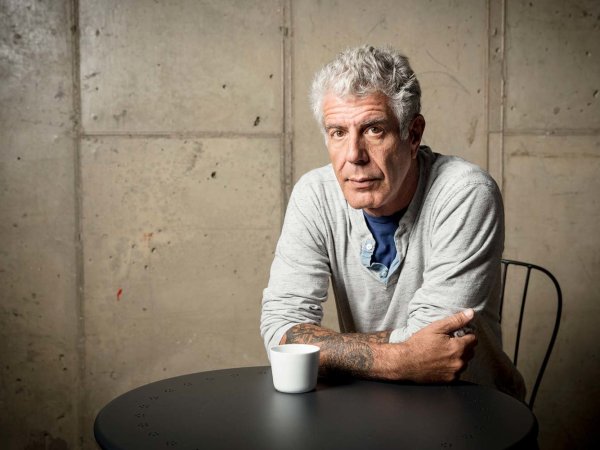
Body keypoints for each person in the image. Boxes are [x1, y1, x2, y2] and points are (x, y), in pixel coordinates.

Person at [260, 45, 525, 399]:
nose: (353, 156)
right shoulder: (315, 194)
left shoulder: (466, 192)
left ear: (412, 135)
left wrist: (323, 348)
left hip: (471, 413)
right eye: (338, 132)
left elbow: (437, 343)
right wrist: (402, 358)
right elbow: (279, 330)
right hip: (369, 409)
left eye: (373, 130)